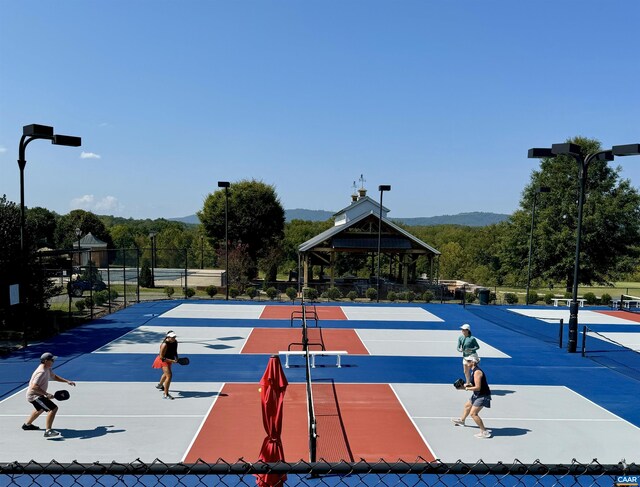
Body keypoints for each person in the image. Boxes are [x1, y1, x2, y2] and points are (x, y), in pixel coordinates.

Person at [23, 352, 76, 438]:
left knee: (40, 409)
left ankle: (27, 425)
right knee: (53, 409)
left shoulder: (48, 368)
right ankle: (48, 431)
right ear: (46, 361)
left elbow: (54, 377)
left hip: (38, 394)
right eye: (52, 360)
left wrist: (67, 381)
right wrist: (46, 394)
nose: (53, 361)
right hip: (34, 396)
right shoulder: (41, 372)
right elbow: (33, 386)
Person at [451, 355, 492, 438]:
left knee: (473, 413)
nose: (466, 362)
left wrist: (465, 388)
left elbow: (478, 387)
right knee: (467, 406)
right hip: (477, 394)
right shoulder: (473, 371)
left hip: (482, 395)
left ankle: (484, 432)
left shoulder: (477, 372)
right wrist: (466, 384)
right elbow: (474, 384)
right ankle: (462, 421)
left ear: (473, 362)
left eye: (468, 361)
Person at [152, 330, 179, 400]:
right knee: (169, 375)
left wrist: (176, 358)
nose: (174, 338)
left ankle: (160, 385)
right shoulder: (164, 345)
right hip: (163, 360)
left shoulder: (175, 342)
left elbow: (175, 351)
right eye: (172, 337)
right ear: (168, 337)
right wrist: (172, 360)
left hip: (169, 359)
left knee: (166, 373)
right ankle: (165, 394)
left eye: (174, 337)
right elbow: (161, 357)